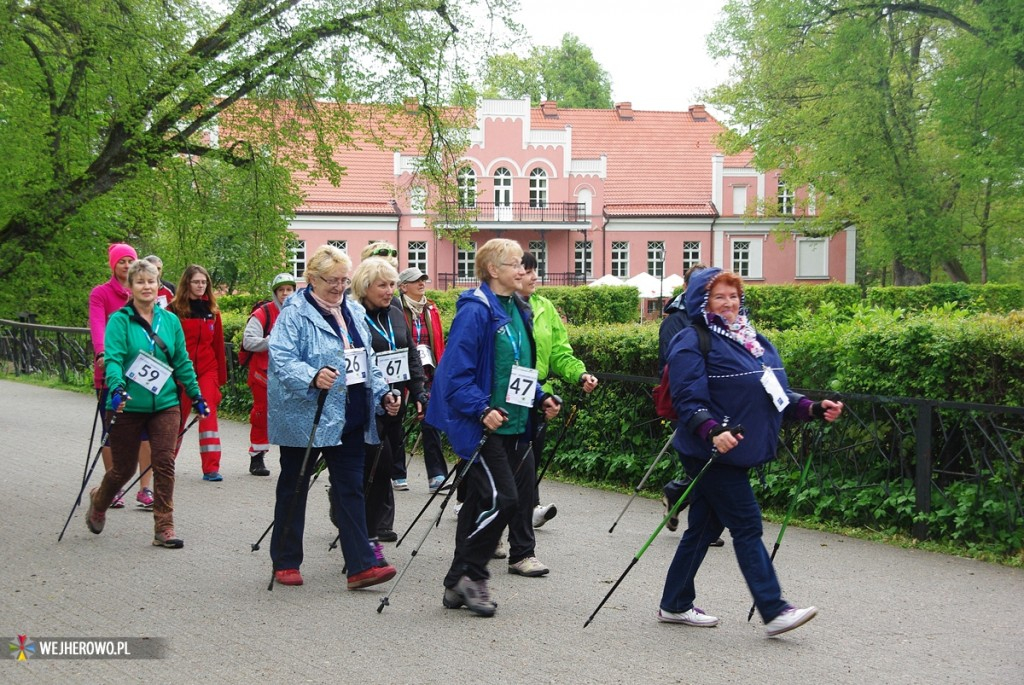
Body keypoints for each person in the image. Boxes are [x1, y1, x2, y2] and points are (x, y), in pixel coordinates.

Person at [658, 267, 844, 636]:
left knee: (704, 527)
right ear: (702, 301)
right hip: (708, 451)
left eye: (734, 296)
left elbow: (775, 393)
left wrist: (812, 408)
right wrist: (712, 430)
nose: (729, 303)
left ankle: (675, 602)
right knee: (746, 523)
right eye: (719, 297)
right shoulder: (691, 340)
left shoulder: (750, 339)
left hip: (738, 449)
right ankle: (774, 610)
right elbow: (687, 397)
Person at [425, 238, 561, 617]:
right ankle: (473, 574)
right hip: (481, 424)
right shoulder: (476, 310)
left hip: (516, 424)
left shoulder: (519, 309)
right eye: (515, 264)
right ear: (492, 270)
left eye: (523, 264)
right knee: (506, 500)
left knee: (482, 502)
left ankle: (457, 580)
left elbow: (517, 370)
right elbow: (454, 376)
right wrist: (481, 408)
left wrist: (539, 397)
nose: (524, 270)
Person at [267, 244, 398, 589]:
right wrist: (310, 376)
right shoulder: (293, 313)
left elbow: (366, 359)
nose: (339, 287)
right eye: (332, 281)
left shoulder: (353, 311)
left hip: (349, 415)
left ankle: (360, 566)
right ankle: (285, 560)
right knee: (295, 487)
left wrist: (384, 392)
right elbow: (280, 358)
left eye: (344, 280)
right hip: (306, 416)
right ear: (311, 279)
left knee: (350, 490)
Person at [85, 259, 209, 548]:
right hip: (127, 405)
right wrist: (116, 387)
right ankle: (99, 500)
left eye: (151, 281)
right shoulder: (120, 320)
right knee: (123, 470)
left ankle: (164, 527)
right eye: (140, 281)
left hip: (165, 403)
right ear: (130, 286)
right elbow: (113, 359)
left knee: (164, 462)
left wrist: (196, 394)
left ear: (158, 285)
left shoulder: (170, 321)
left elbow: (181, 361)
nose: (146, 287)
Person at [497, 251, 599, 576]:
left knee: (526, 469)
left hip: (532, 393)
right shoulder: (495, 308)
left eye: (534, 271)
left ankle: (521, 550)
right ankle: (496, 533)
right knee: (504, 474)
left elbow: (559, 353)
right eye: (527, 271)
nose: (533, 277)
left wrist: (579, 374)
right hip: (499, 399)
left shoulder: (543, 308)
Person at [349, 257, 427, 555]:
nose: (389, 290)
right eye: (382, 285)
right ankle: (363, 523)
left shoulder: (395, 311)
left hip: (396, 399)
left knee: (389, 461)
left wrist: (419, 391)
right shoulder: (354, 315)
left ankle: (379, 523)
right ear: (365, 286)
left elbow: (410, 354)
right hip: (366, 402)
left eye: (393, 284)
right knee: (375, 464)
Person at [658, 263, 721, 543]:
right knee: (707, 463)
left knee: (713, 463)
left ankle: (677, 495)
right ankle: (704, 523)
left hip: (718, 403)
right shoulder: (675, 320)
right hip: (688, 402)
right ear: (686, 288)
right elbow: (671, 365)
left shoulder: (719, 318)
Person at [88, 243, 153, 509]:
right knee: (112, 429)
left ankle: (145, 489)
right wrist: (103, 353)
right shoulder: (101, 294)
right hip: (111, 369)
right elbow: (97, 325)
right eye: (122, 262)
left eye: (130, 261)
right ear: (113, 265)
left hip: (142, 371)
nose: (126, 266)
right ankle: (112, 487)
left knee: (146, 430)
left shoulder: (145, 290)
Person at [168, 265, 228, 481]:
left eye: (204, 282)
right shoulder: (172, 310)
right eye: (196, 282)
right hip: (181, 371)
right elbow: (167, 345)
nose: (201, 286)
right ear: (187, 283)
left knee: (208, 414)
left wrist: (220, 379)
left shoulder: (212, 311)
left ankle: (211, 467)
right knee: (176, 418)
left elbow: (218, 347)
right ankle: (166, 463)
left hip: (207, 369)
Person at [397, 266, 449, 492]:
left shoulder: (431, 309)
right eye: (416, 281)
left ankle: (436, 475)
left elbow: (439, 342)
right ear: (403, 286)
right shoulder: (395, 309)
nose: (421, 284)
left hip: (427, 372)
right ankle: (397, 473)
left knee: (431, 420)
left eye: (423, 280)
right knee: (395, 420)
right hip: (401, 369)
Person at [241, 273, 296, 476]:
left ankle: (291, 460)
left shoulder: (300, 313)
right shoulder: (263, 313)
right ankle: (257, 457)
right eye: (281, 290)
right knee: (261, 415)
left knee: (291, 416)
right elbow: (248, 341)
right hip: (263, 374)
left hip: (290, 375)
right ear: (275, 293)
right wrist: (272, 341)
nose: (285, 294)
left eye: (289, 289)